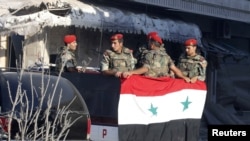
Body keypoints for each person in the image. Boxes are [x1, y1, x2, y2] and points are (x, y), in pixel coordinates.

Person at [123, 33, 190, 82]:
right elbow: (175, 70)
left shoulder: (149, 54)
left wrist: (131, 72)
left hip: (150, 83)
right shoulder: (166, 56)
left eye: (149, 43)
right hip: (162, 84)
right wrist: (184, 77)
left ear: (152, 45)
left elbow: (145, 69)